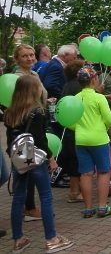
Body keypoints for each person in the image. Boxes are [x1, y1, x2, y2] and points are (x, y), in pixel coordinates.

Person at [4, 75, 74, 253]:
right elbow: (40, 141)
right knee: (45, 196)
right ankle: (52, 239)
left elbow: (10, 139)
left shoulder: (10, 111)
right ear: (34, 89)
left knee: (18, 198)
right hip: (36, 159)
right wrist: (50, 158)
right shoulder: (37, 111)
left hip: (19, 159)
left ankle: (18, 239)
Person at [71, 67, 111, 218]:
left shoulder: (75, 98)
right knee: (104, 172)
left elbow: (70, 120)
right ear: (93, 80)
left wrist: (78, 129)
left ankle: (88, 208)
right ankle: (102, 206)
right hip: (99, 139)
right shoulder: (99, 98)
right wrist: (103, 127)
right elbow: (109, 119)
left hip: (81, 139)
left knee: (85, 173)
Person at [13, 44, 49, 222]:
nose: (29, 58)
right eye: (24, 56)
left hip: (37, 122)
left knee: (33, 167)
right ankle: (28, 207)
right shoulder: (16, 78)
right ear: (17, 59)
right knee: (26, 169)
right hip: (25, 127)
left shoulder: (34, 74)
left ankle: (29, 207)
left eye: (31, 55)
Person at [54, 59, 86, 201]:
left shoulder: (67, 85)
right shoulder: (78, 87)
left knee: (73, 159)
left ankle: (76, 190)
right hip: (74, 128)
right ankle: (74, 192)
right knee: (75, 160)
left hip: (67, 127)